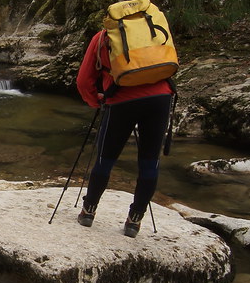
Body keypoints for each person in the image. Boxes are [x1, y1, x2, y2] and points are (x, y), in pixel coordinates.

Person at [75, 27, 175, 237]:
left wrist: (96, 101)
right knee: (149, 163)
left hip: (121, 100)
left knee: (105, 159)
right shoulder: (153, 28)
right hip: (160, 98)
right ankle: (134, 221)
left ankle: (88, 211)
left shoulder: (103, 36)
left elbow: (84, 80)